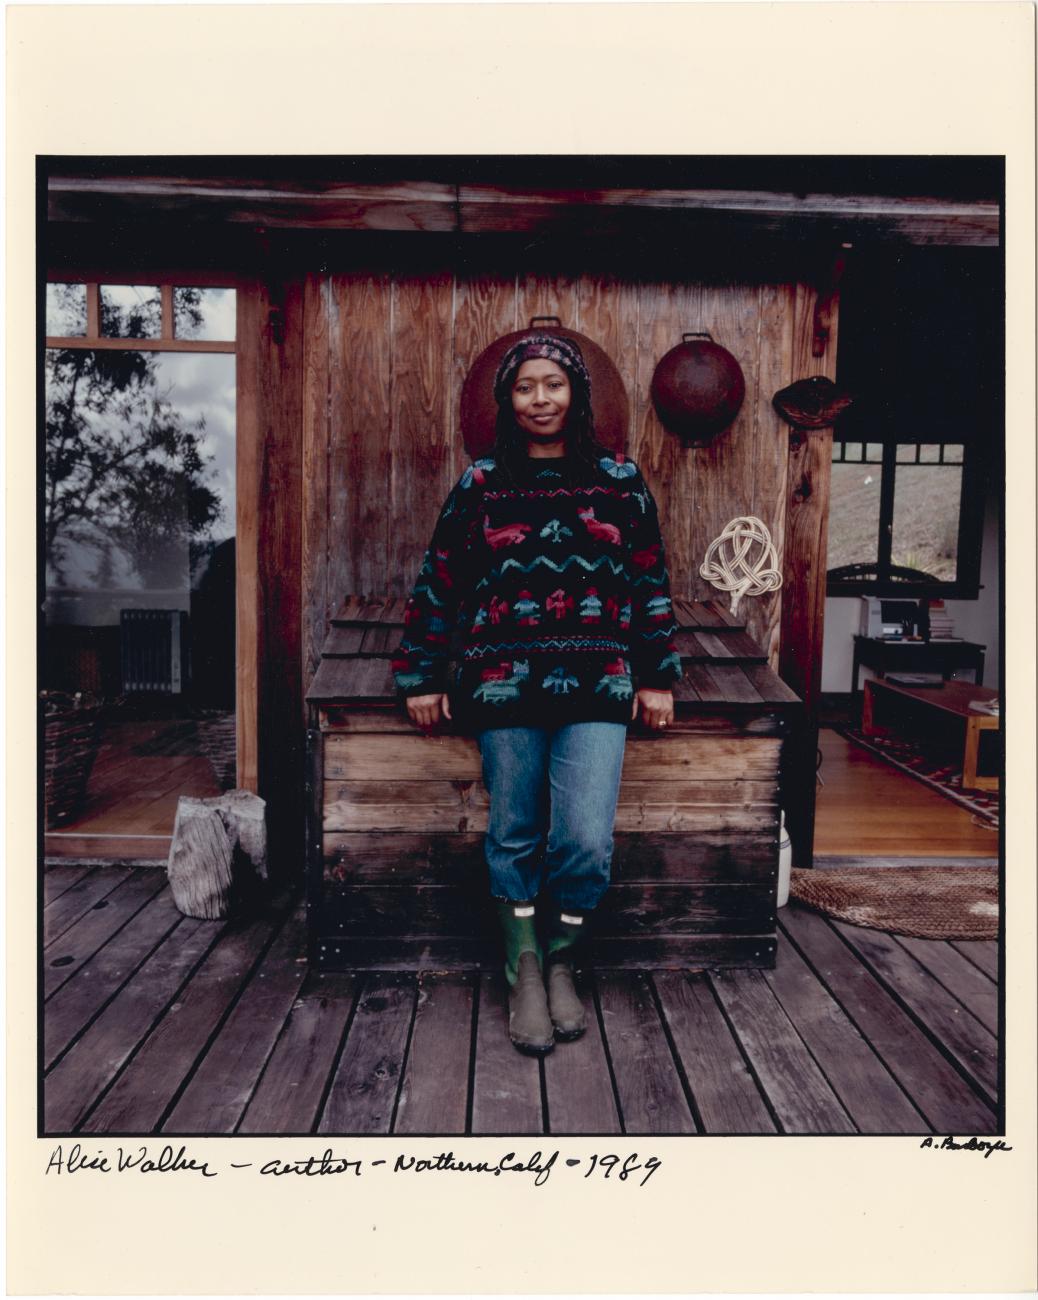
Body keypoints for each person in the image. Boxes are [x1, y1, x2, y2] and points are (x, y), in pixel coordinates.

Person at [393, 333, 681, 1055]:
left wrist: (655, 674)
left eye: (553, 384)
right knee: (514, 830)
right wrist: (424, 674)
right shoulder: (483, 483)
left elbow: (648, 577)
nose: (541, 399)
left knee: (584, 840)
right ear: (508, 400)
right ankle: (522, 967)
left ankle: (560, 956)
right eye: (526, 388)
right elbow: (440, 581)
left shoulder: (619, 481)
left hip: (600, 683)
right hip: (502, 681)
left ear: (576, 393)